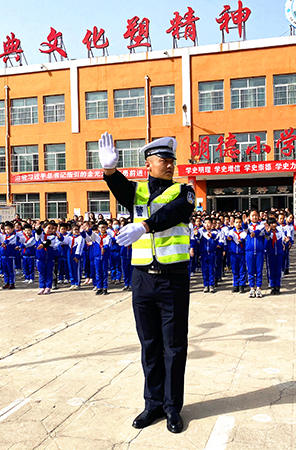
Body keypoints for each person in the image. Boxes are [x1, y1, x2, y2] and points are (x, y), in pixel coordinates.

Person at [99, 133, 194, 434]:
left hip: (172, 280)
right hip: (142, 280)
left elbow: (174, 213)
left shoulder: (184, 191)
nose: (169, 165)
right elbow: (120, 190)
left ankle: (172, 408)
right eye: (163, 160)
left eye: (171, 160)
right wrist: (110, 171)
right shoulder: (137, 192)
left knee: (174, 347)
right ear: (148, 164)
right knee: (149, 345)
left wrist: (144, 225)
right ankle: (152, 404)